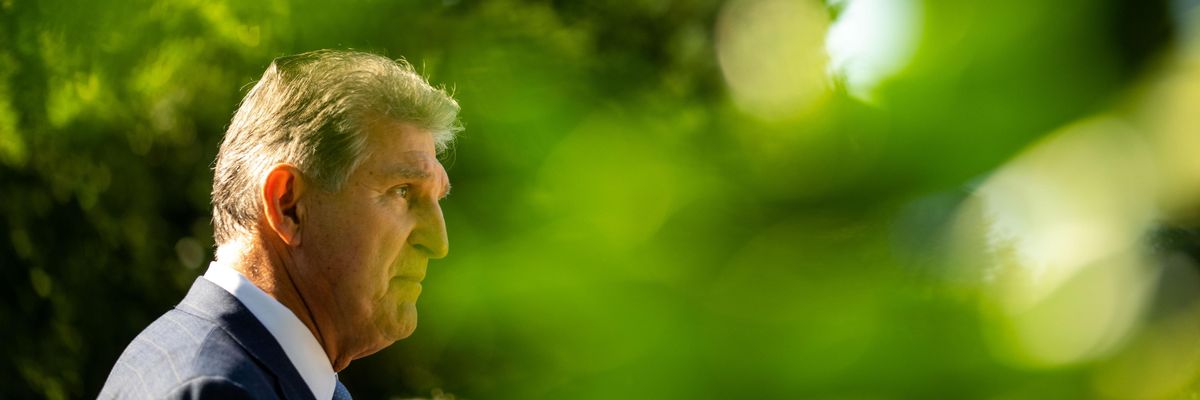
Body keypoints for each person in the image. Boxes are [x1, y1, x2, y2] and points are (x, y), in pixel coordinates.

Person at [99, 49, 461, 399]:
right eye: (402, 191)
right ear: (288, 205)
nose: (439, 242)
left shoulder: (261, 373)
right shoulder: (217, 390)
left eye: (436, 198)